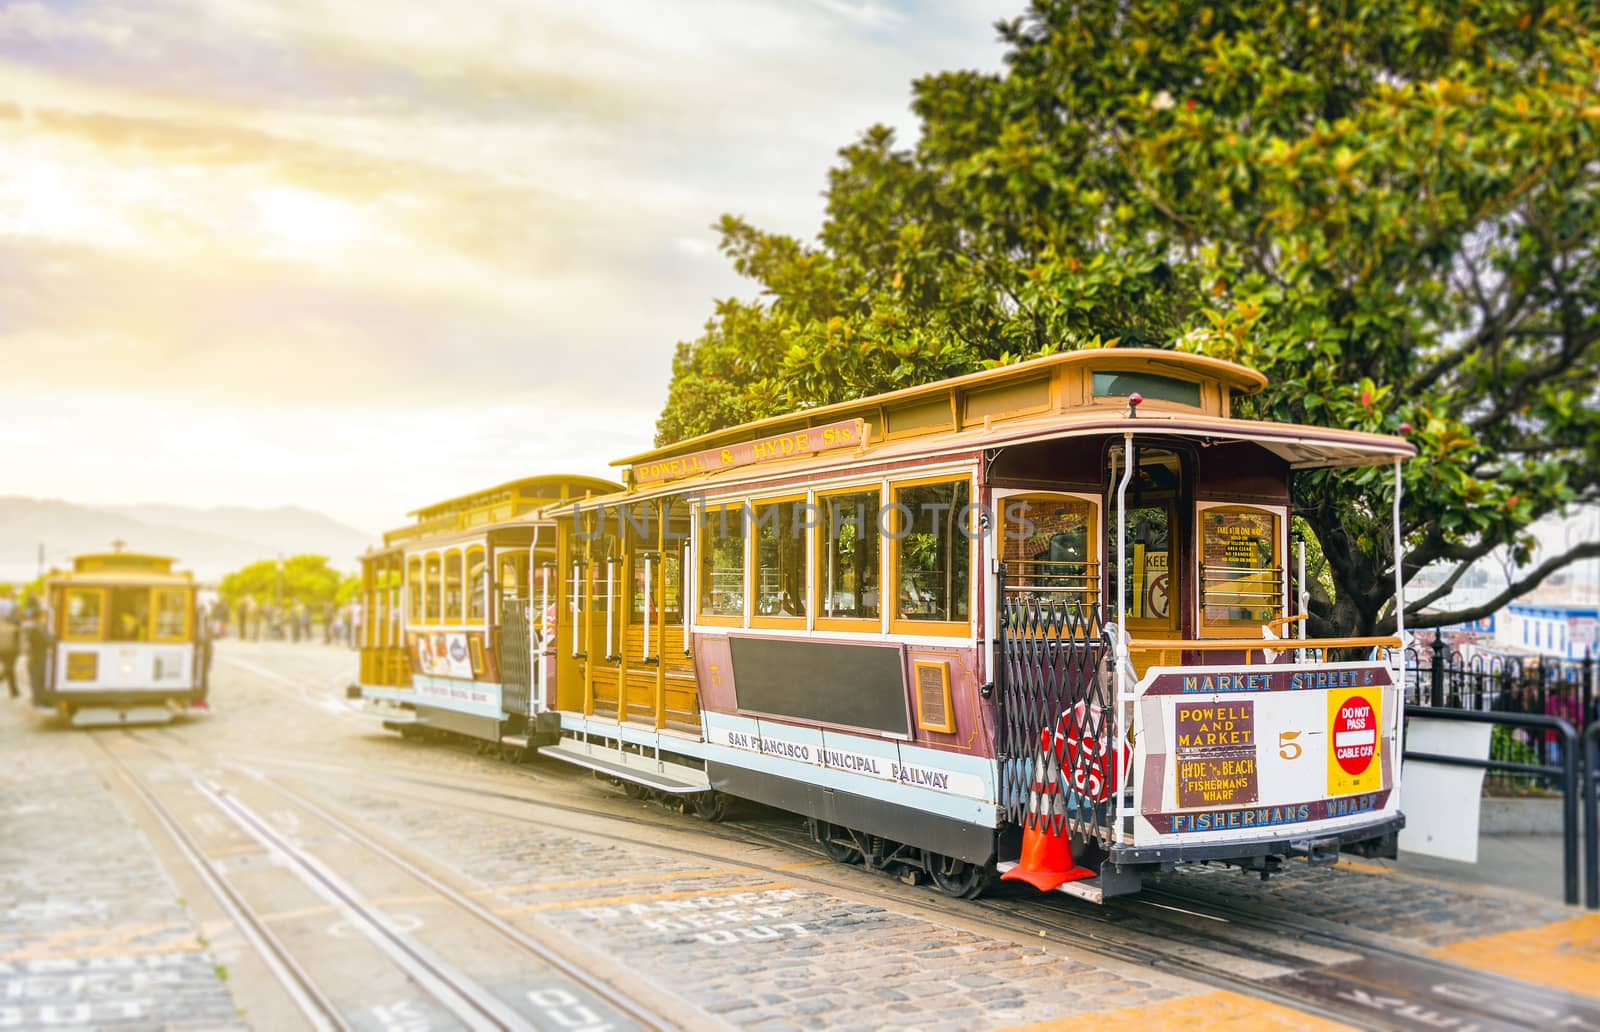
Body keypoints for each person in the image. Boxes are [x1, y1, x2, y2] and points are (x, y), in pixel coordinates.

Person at [22, 603, 50, 705]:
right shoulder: (38, 628)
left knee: (36, 679)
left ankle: (37, 699)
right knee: (37, 679)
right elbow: (47, 640)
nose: (46, 619)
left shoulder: (34, 627)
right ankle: (38, 700)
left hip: (34, 657)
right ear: (40, 617)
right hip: (37, 657)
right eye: (45, 617)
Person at [0, 588, 18, 698]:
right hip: (9, 648)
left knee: (9, 668)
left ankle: (14, 691)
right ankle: (14, 690)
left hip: (5, 647)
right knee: (9, 668)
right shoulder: (12, 606)